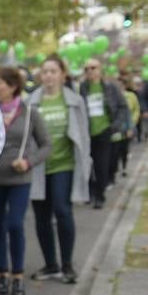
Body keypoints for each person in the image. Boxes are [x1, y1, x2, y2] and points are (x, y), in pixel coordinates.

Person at [26, 55, 90, 283]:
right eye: (45, 72)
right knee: (41, 216)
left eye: (53, 71)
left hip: (64, 164)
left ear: (63, 75)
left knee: (63, 210)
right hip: (38, 166)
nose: (49, 76)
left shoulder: (74, 101)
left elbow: (83, 133)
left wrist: (87, 162)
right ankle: (50, 264)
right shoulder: (31, 102)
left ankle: (67, 265)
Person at [0, 67, 49, 295]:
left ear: (12, 87)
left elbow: (46, 145)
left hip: (19, 179)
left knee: (15, 224)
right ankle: (3, 273)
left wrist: (29, 162)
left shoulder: (29, 112)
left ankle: (18, 275)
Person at [78, 58, 130, 208]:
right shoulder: (83, 88)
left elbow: (122, 106)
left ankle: (100, 196)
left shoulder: (110, 87)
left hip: (105, 131)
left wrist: (116, 125)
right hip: (87, 132)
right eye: (86, 69)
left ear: (100, 69)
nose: (90, 71)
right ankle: (90, 191)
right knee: (87, 165)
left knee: (102, 165)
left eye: (93, 68)